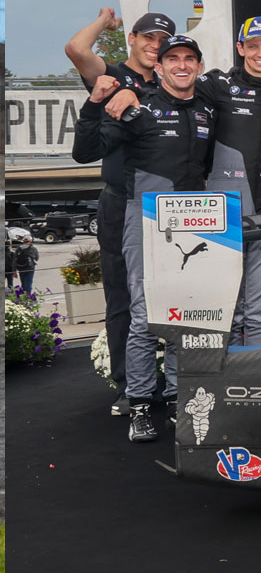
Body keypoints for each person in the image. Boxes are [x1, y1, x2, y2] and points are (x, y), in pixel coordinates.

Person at [106, 17, 261, 347]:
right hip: (224, 215)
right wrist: (129, 92)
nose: (260, 53)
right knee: (225, 308)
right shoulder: (217, 85)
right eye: (253, 46)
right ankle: (224, 382)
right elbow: (173, 88)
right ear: (240, 48)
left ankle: (257, 384)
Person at [73, 35, 216, 443]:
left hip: (192, 220)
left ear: (199, 66)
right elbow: (85, 152)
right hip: (144, 220)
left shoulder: (206, 109)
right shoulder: (136, 103)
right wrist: (93, 104)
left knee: (181, 314)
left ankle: (174, 397)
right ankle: (139, 403)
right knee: (143, 316)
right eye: (174, 59)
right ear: (162, 66)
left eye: (190, 58)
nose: (182, 65)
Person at [65, 8, 173, 413]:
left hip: (164, 203)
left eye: (163, 40)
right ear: (132, 37)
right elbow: (76, 48)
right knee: (122, 298)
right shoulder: (109, 76)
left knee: (169, 294)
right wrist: (103, 20)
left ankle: (170, 381)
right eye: (148, 37)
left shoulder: (170, 83)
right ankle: (129, 387)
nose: (155, 45)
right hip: (120, 199)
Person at [7, 228, 39, 294]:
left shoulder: (19, 249)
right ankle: (28, 298)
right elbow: (37, 258)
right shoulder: (33, 248)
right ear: (30, 241)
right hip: (30, 268)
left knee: (24, 284)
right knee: (28, 285)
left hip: (21, 268)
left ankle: (24, 297)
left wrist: (14, 271)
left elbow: (15, 260)